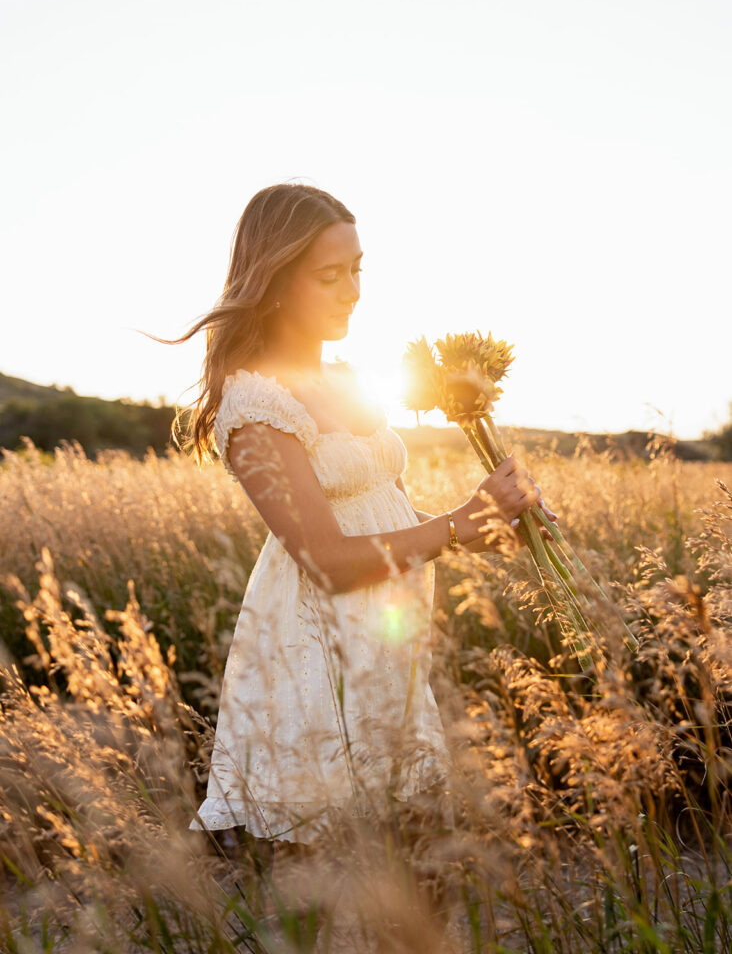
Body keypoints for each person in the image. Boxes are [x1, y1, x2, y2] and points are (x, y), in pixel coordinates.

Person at [170, 182, 553, 870]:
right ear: (276, 281)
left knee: (422, 874)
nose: (351, 290)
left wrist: (495, 521)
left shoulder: (350, 380)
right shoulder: (256, 403)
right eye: (329, 274)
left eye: (357, 270)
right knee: (335, 879)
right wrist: (459, 526)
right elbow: (329, 561)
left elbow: (397, 523)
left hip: (388, 649)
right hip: (318, 653)